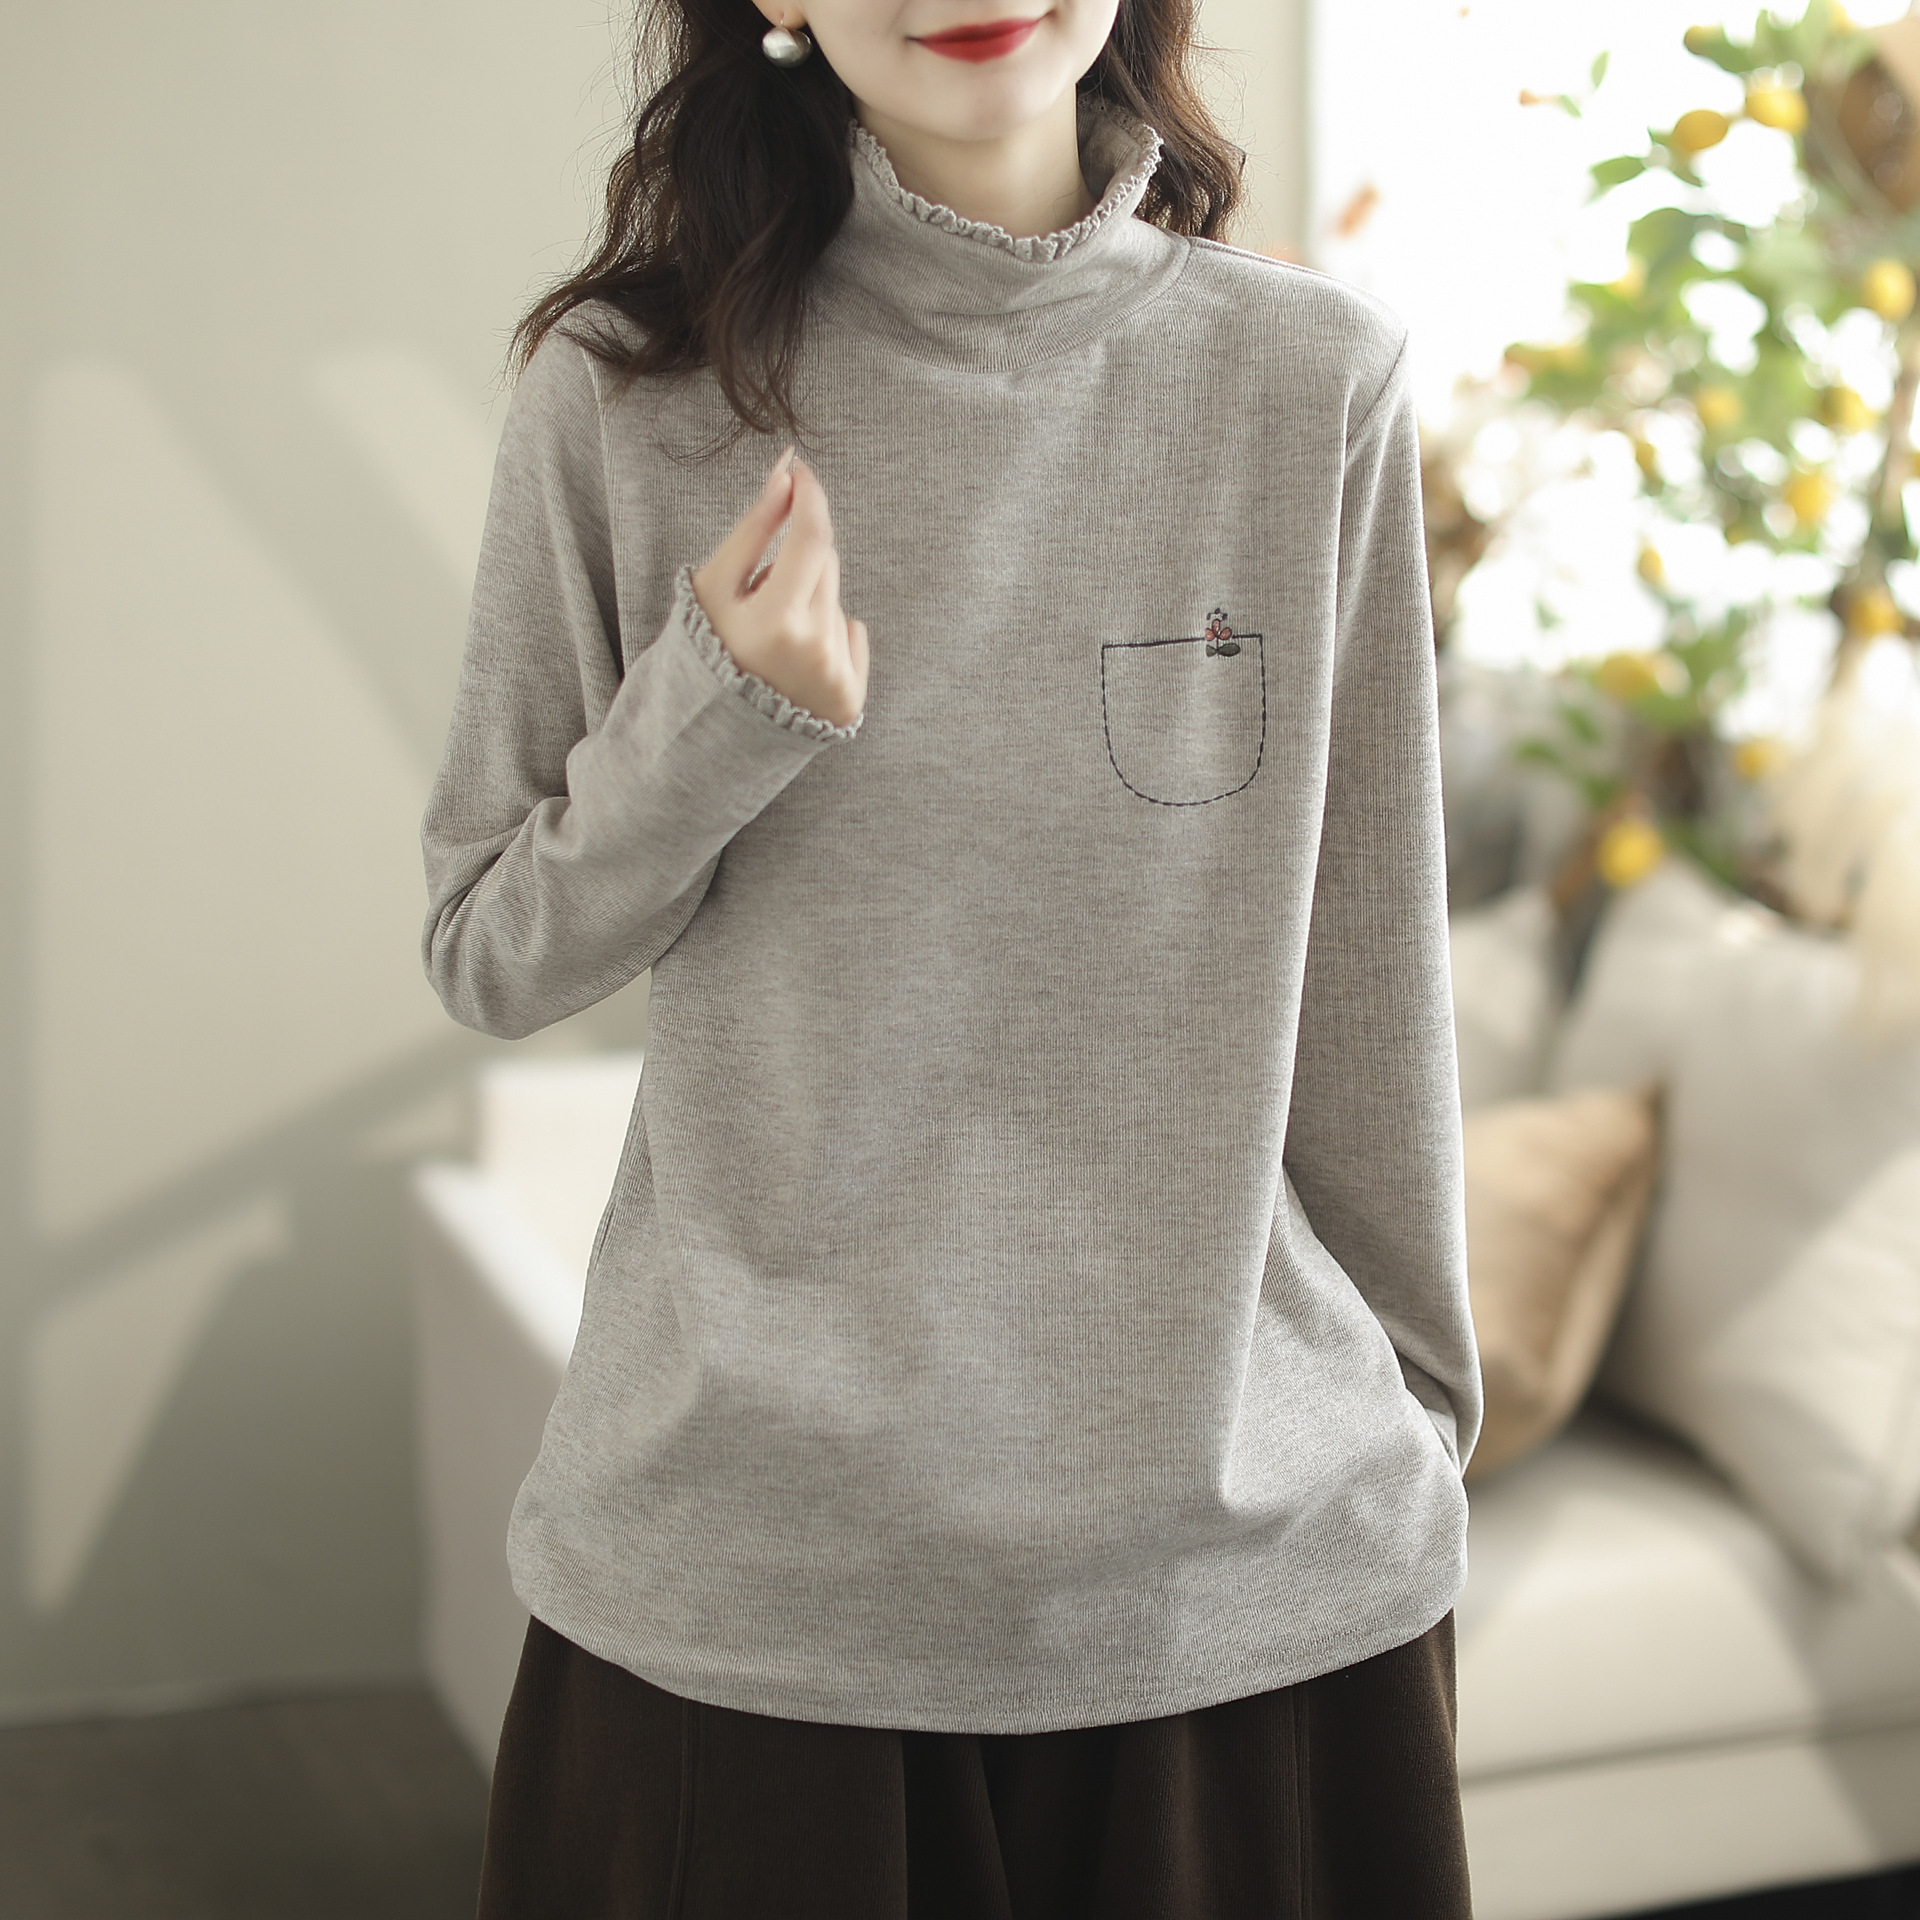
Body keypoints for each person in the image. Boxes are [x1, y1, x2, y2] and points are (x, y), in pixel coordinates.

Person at [420, 0, 1483, 1911]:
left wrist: (1415, 1423)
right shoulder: (629, 394)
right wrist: (715, 715)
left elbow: (1371, 983)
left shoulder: (1309, 377)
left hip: (1249, 1610)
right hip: (754, 1601)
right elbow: (488, 950)